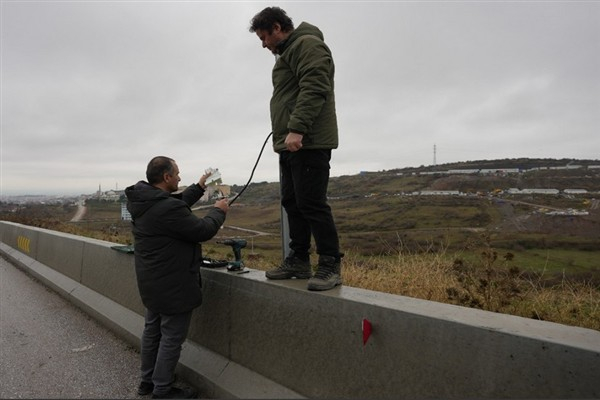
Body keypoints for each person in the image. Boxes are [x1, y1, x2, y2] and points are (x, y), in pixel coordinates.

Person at [249, 7, 343, 291]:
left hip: (308, 140)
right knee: (292, 201)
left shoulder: (307, 44)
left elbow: (315, 86)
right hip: (289, 143)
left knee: (312, 202)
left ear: (277, 27)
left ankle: (329, 264)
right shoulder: (287, 53)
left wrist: (297, 128)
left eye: (264, 37)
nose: (264, 44)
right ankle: (299, 259)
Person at [125, 156, 228, 399]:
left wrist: (201, 185)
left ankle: (147, 382)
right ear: (167, 177)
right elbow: (202, 230)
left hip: (152, 281)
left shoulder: (144, 201)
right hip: (174, 284)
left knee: (152, 331)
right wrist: (218, 211)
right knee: (171, 337)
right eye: (178, 174)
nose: (180, 178)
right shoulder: (166, 208)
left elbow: (176, 204)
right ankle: (162, 389)